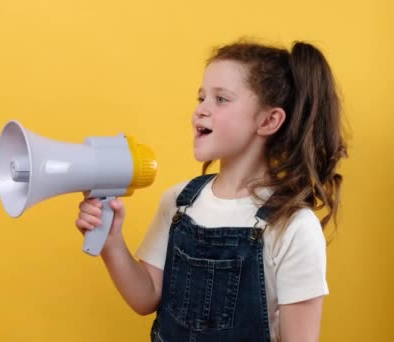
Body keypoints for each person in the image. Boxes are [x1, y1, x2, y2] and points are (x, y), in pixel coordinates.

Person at [75, 40, 347, 342]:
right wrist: (112, 242)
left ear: (269, 120)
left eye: (221, 99)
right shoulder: (179, 203)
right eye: (201, 97)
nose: (200, 110)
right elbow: (146, 296)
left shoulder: (293, 226)